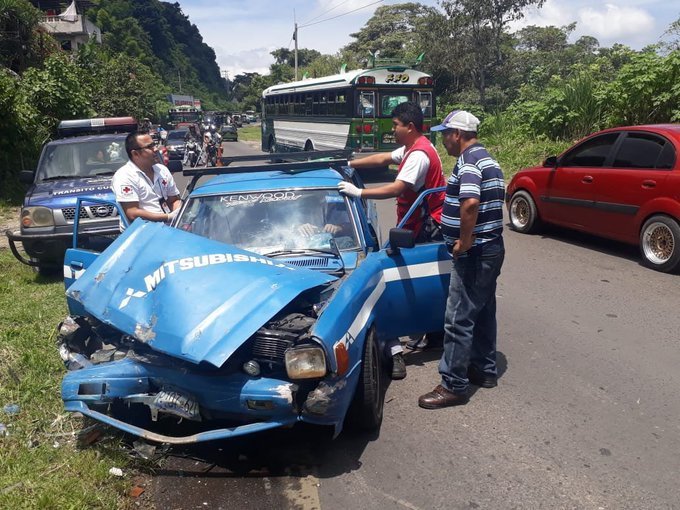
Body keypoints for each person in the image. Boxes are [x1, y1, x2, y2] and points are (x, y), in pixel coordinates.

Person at [338, 101, 447, 380]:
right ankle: (433, 333)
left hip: (423, 225)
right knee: (427, 280)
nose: (393, 129)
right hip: (415, 221)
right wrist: (348, 164)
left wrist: (359, 193)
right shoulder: (414, 147)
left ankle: (397, 346)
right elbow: (384, 158)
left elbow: (397, 188)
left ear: (409, 127)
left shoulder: (420, 155)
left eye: (396, 125)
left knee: (396, 282)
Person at [417, 110, 505, 410]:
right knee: (482, 311)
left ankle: (453, 385)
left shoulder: (468, 162)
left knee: (457, 319)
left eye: (445, 134)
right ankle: (483, 369)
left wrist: (464, 242)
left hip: (475, 251)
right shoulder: (488, 159)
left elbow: (470, 202)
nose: (443, 140)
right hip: (491, 247)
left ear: (457, 134)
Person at [111, 132, 181, 230]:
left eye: (154, 144)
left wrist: (180, 212)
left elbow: (173, 200)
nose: (156, 149)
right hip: (141, 233)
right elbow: (132, 213)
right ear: (135, 153)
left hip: (167, 230)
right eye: (150, 147)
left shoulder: (162, 170)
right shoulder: (124, 175)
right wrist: (167, 217)